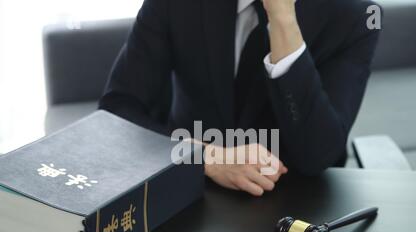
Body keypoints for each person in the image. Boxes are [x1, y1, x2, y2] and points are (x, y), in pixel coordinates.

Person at [99, 0, 380, 196]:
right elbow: (116, 111)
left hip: (296, 204)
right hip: (190, 186)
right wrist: (206, 157)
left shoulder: (355, 15)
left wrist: (282, 19)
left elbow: (317, 156)